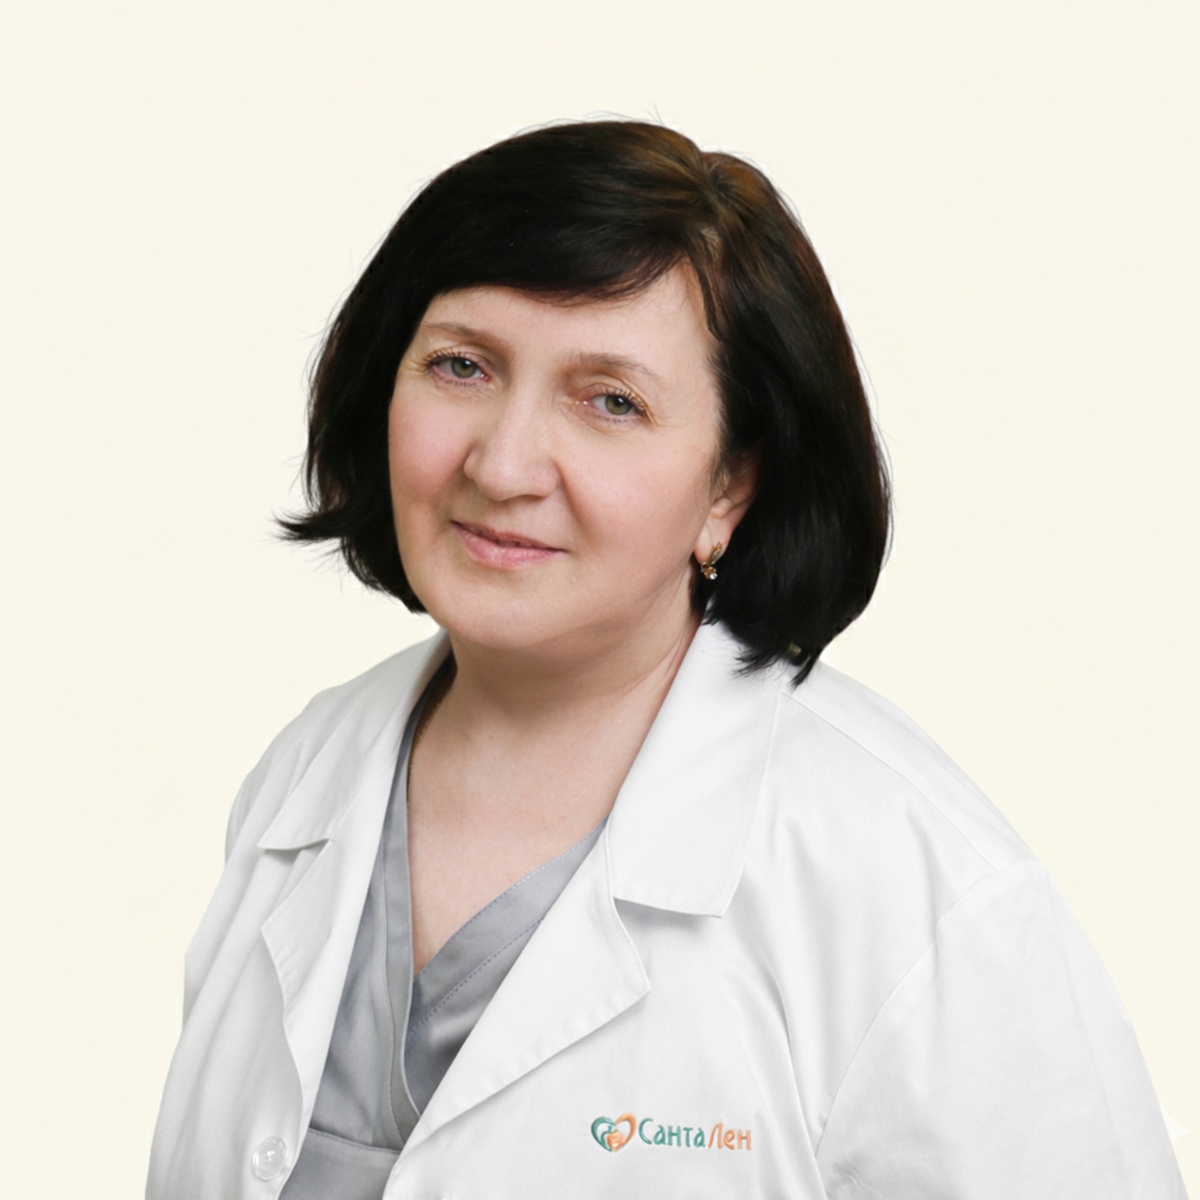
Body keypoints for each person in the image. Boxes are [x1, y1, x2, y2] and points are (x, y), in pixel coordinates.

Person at [146, 121, 1186, 1199]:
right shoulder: (303, 779)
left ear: (730, 486)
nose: (502, 465)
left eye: (612, 401)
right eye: (462, 365)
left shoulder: (910, 882)